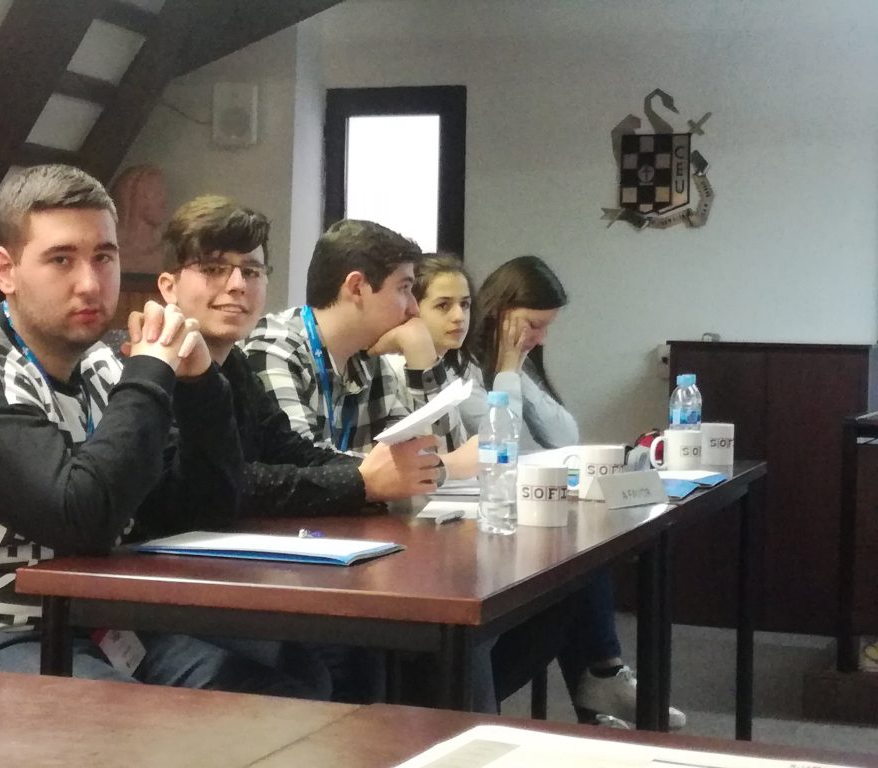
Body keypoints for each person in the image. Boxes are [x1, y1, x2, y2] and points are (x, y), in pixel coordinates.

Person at [0, 165, 325, 699]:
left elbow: (196, 515)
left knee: (294, 684)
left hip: (86, 622)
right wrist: (150, 372)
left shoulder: (102, 367)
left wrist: (199, 388)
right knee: (126, 722)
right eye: (61, 259)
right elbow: (81, 517)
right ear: (6, 271)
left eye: (104, 257)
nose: (89, 283)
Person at [403, 253, 686, 729]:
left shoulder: (491, 363)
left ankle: (600, 683)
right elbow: (504, 444)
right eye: (533, 325)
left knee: (578, 563)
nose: (459, 317)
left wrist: (515, 366)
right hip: (451, 532)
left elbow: (564, 434)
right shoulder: (451, 373)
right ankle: (594, 684)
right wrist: (506, 369)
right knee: (571, 562)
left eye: (466, 305)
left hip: (488, 515)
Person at [155, 195, 442, 515]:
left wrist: (376, 474)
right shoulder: (154, 368)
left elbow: (290, 452)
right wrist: (363, 481)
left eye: (251, 271)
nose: (237, 285)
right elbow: (217, 485)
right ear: (169, 287)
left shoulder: (235, 366)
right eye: (213, 268)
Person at [243, 219, 475, 481]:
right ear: (356, 288)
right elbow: (305, 471)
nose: (413, 308)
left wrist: (422, 355)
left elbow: (444, 456)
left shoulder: (369, 361)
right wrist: (444, 466)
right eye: (404, 289)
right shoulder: (276, 348)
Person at [111, 164, 168, 274]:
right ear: (135, 198)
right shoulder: (112, 252)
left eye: (163, 193)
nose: (163, 201)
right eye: (156, 193)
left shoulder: (166, 253)